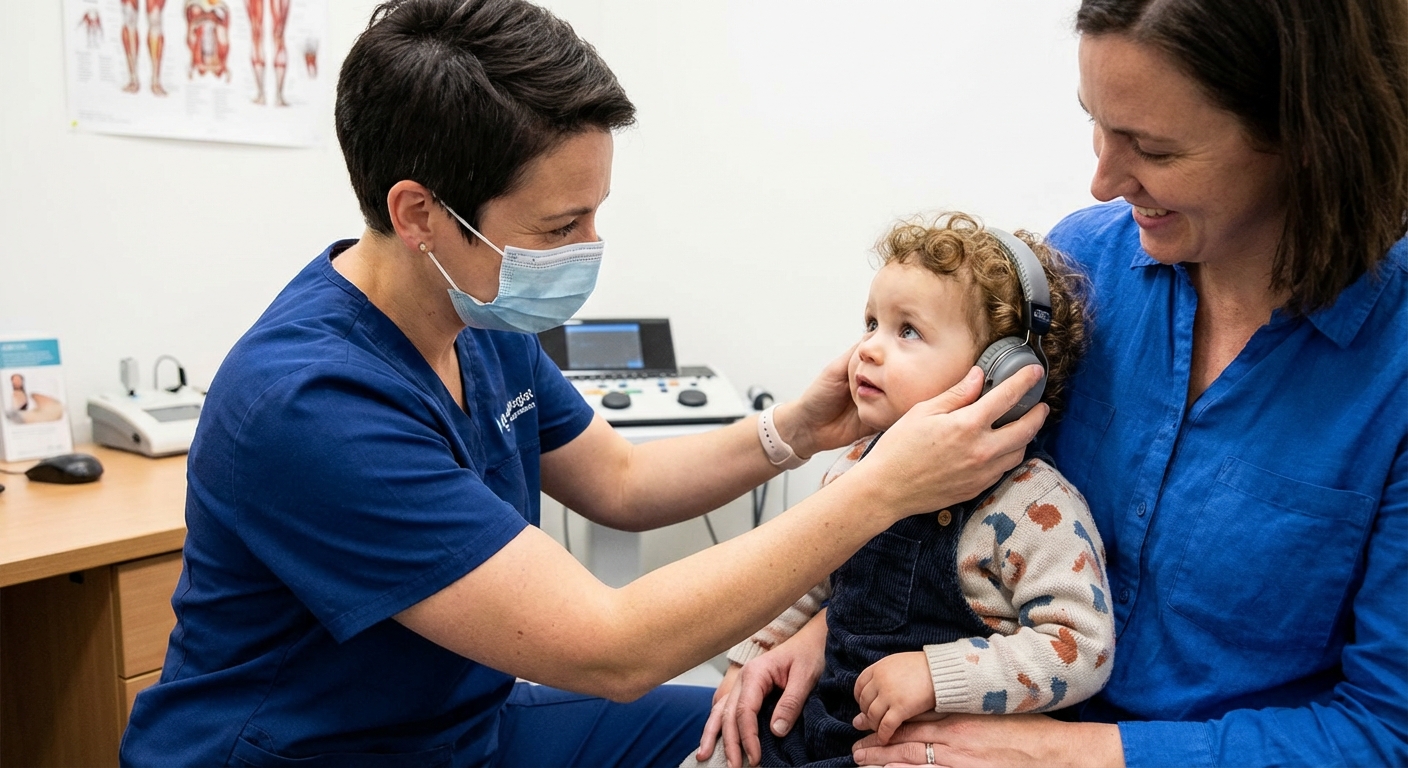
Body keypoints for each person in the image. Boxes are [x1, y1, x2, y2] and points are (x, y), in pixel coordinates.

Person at [116, 1, 1050, 765]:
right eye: (561, 226)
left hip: (467, 727)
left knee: (786, 743)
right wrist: (885, 489)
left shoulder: (477, 315)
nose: (589, 249)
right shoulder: (312, 404)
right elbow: (612, 648)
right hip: (316, 752)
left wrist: (799, 429)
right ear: (419, 214)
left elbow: (623, 485)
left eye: (596, 213)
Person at [729, 1, 1408, 766]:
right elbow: (962, 513)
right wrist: (832, 632)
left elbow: (1388, 732)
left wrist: (1076, 755)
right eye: (1097, 121)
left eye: (1153, 147)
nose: (1103, 181)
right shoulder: (1080, 271)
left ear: (1309, 136)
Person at [688, 215, 1113, 768]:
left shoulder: (1035, 508)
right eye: (871, 323)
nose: (868, 349)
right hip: (822, 720)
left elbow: (1082, 647)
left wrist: (939, 675)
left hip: (934, 748)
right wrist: (750, 661)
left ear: (1005, 374)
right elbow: (804, 578)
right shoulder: (859, 467)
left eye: (906, 330)